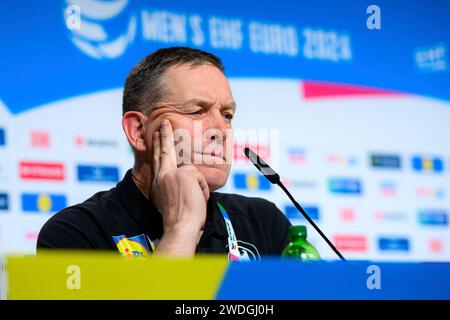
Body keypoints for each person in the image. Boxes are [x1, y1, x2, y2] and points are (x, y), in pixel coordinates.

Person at [37, 47, 291, 260]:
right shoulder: (75, 234)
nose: (220, 131)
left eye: (226, 115)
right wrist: (182, 228)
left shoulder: (264, 223)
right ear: (138, 130)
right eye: (197, 111)